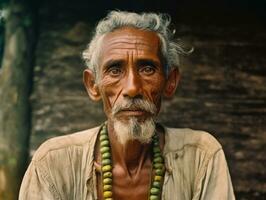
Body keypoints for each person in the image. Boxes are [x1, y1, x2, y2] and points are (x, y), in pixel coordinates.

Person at [19, 11, 235, 200]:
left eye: (147, 69)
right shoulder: (53, 163)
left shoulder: (201, 156)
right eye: (115, 70)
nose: (132, 88)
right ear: (93, 85)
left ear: (170, 82)